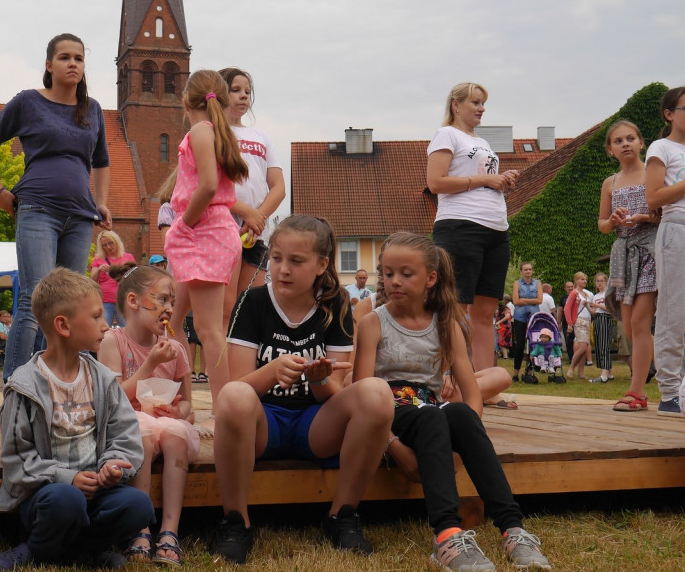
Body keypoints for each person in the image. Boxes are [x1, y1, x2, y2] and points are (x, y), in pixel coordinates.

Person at [353, 232, 551, 572]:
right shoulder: (373, 323)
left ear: (431, 278)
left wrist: (459, 448)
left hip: (430, 410)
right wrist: (393, 445)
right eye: (387, 273)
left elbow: (471, 392)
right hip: (391, 411)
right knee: (433, 416)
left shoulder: (446, 324)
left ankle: (513, 527)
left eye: (405, 273)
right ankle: (447, 534)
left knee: (458, 411)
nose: (394, 281)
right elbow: (361, 396)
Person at [210, 215, 394, 563]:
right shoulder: (252, 302)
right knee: (232, 397)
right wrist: (273, 371)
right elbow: (239, 389)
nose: (282, 269)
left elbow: (335, 393)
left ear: (321, 264)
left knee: (376, 393)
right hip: (262, 425)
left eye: (296, 261)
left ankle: (343, 516)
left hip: (316, 424)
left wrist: (321, 378)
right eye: (276, 258)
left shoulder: (337, 304)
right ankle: (236, 521)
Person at [0, 268, 153, 570]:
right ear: (63, 325)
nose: (106, 325)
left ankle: (82, 550)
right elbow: (17, 460)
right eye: (95, 317)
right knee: (67, 500)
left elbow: (125, 435)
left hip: (97, 493)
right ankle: (37, 548)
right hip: (48, 496)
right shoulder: (25, 386)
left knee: (139, 505)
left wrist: (112, 466)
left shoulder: (102, 379)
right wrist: (69, 479)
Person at [0, 33, 112, 381]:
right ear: (49, 65)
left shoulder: (92, 109)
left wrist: (102, 203)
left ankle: (64, 383)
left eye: (79, 58)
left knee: (71, 304)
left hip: (81, 217)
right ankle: (16, 387)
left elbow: (101, 162)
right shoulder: (28, 102)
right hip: (37, 209)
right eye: (65, 57)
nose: (73, 63)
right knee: (34, 301)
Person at [99, 265, 199, 565]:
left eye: (172, 302)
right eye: (163, 300)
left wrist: (176, 410)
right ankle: (138, 528)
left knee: (175, 431)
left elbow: (188, 408)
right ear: (133, 301)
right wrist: (150, 365)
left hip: (166, 431)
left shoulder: (177, 349)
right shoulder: (112, 341)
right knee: (140, 426)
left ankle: (170, 529)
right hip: (128, 432)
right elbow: (110, 400)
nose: (169, 309)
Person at [426, 83, 518, 406]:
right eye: (475, 103)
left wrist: (501, 179)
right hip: (460, 228)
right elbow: (435, 183)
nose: (481, 108)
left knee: (485, 313)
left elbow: (483, 180)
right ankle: (454, 384)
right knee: (456, 309)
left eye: (483, 104)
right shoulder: (446, 136)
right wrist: (486, 180)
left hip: (495, 230)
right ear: (456, 104)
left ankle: (484, 387)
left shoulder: (483, 142)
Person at [163, 70, 248, 404]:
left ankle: (222, 407)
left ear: (185, 100)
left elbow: (209, 186)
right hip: (205, 233)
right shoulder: (213, 132)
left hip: (204, 233)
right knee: (172, 321)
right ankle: (184, 395)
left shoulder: (200, 130)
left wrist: (183, 222)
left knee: (208, 328)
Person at [218, 67, 285, 331]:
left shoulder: (262, 137)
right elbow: (207, 185)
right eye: (236, 90)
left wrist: (258, 217)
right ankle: (222, 371)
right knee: (226, 307)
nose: (243, 96)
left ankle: (245, 368)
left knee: (249, 307)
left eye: (247, 91)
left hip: (257, 231)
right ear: (220, 93)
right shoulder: (211, 133)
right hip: (224, 227)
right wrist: (245, 211)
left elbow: (278, 186)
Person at [598, 120, 658, 411]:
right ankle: (675, 369)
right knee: (631, 330)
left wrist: (645, 217)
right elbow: (602, 225)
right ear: (610, 150)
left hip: (650, 252)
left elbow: (668, 211)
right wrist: (612, 221)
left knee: (639, 323)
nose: (625, 144)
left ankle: (637, 392)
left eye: (630, 138)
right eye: (618, 141)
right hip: (623, 257)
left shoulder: (654, 174)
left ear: (641, 142)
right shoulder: (610, 183)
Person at [646, 86, 685, 417]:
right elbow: (654, 197)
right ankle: (670, 392)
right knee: (674, 312)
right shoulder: (662, 148)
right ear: (669, 114)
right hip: (677, 230)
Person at [90, 230, 136, 327]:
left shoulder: (128, 257)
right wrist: (99, 270)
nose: (108, 247)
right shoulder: (98, 258)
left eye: (110, 243)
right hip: (105, 300)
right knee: (104, 329)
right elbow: (92, 281)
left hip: (123, 299)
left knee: (127, 328)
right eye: (104, 245)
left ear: (116, 241)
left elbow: (135, 278)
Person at [510, 262, 542, 382]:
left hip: (534, 318)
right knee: (519, 345)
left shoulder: (538, 283)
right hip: (520, 318)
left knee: (533, 344)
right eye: (525, 270)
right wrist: (531, 301)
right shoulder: (517, 284)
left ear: (532, 271)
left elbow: (539, 300)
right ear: (521, 272)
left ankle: (530, 371)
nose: (528, 271)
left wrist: (523, 299)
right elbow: (515, 301)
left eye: (530, 269)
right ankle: (516, 373)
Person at [588, 273, 617, 383]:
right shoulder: (596, 296)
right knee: (599, 345)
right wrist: (587, 305)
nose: (599, 283)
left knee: (604, 345)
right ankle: (609, 373)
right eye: (597, 281)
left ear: (606, 282)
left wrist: (597, 305)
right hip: (597, 319)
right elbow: (594, 312)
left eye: (601, 281)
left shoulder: (608, 294)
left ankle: (604, 375)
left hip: (606, 318)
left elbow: (611, 309)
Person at [566, 272, 594, 379]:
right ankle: (571, 368)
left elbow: (590, 310)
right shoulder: (574, 293)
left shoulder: (586, 294)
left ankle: (581, 373)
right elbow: (567, 308)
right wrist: (569, 323)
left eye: (585, 279)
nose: (584, 281)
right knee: (582, 347)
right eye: (582, 279)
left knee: (585, 347)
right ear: (576, 281)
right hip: (579, 321)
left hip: (587, 321)